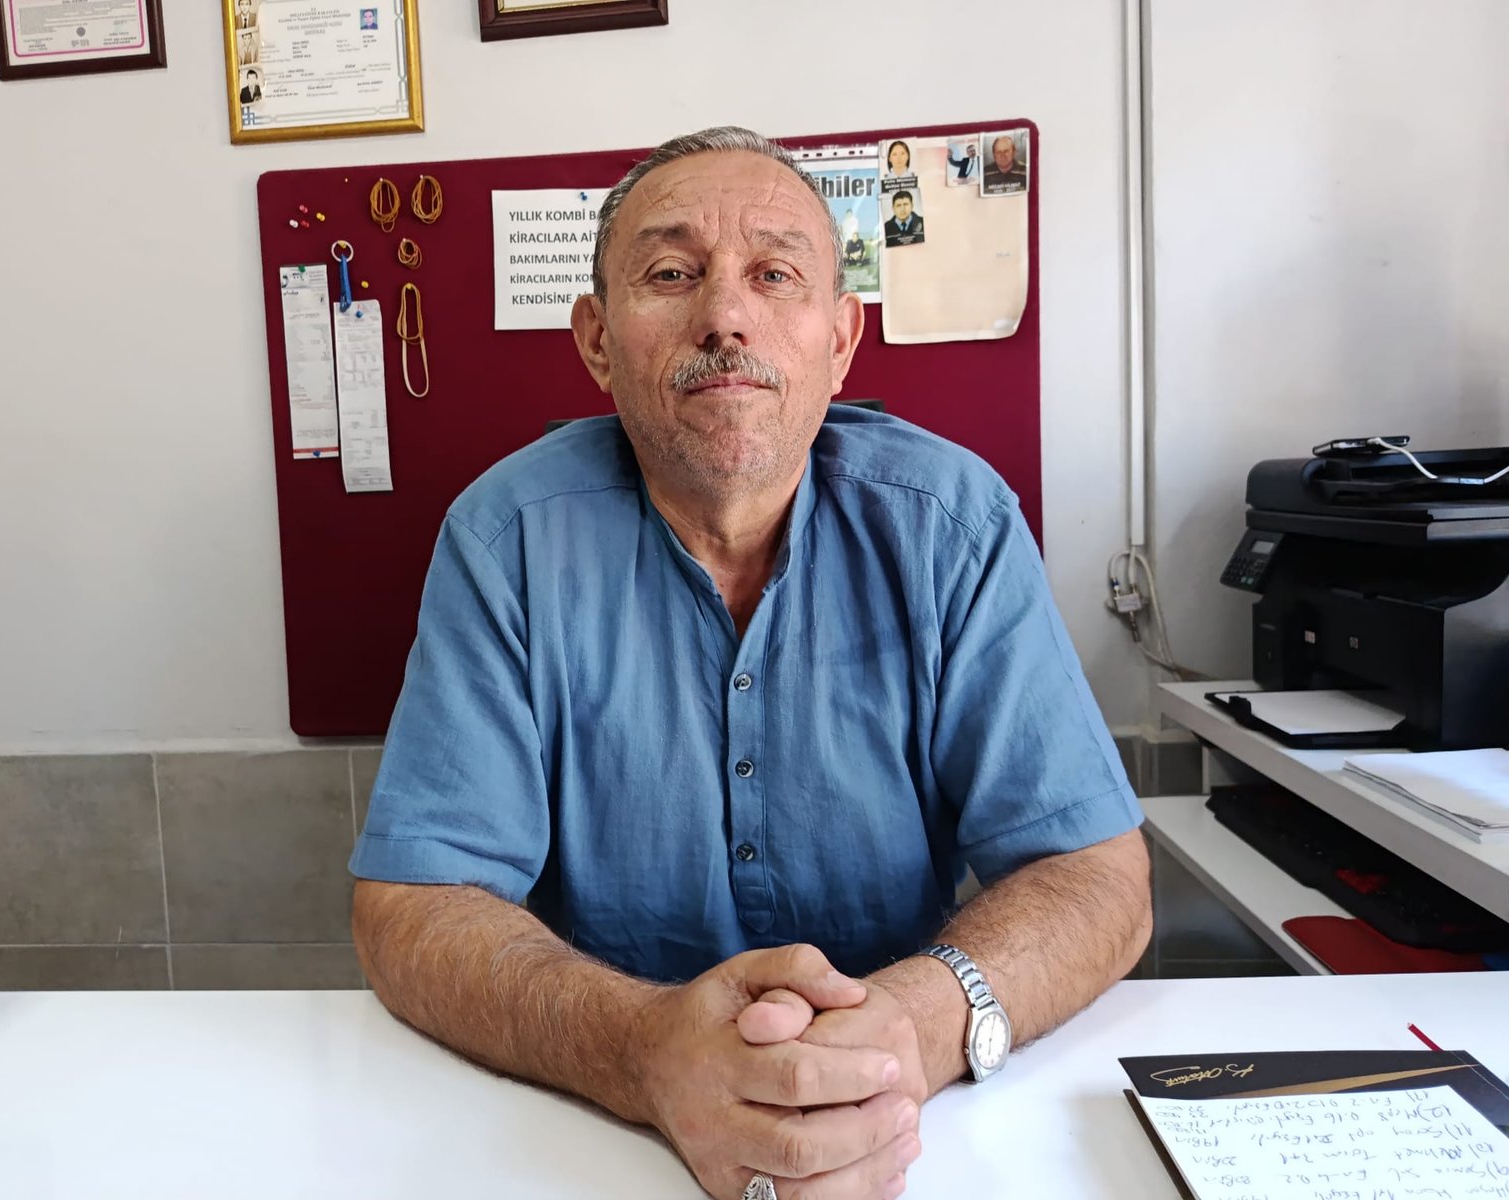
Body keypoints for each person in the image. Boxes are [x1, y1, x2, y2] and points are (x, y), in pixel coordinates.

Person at [351, 126, 1149, 1200]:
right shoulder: (506, 541)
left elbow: (1097, 876)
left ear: (840, 339)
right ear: (596, 340)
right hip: (599, 1133)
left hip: (915, 1126)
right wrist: (641, 1049)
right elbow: (413, 906)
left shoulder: (953, 525)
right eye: (671, 274)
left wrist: (912, 1026)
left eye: (775, 275)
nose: (725, 316)